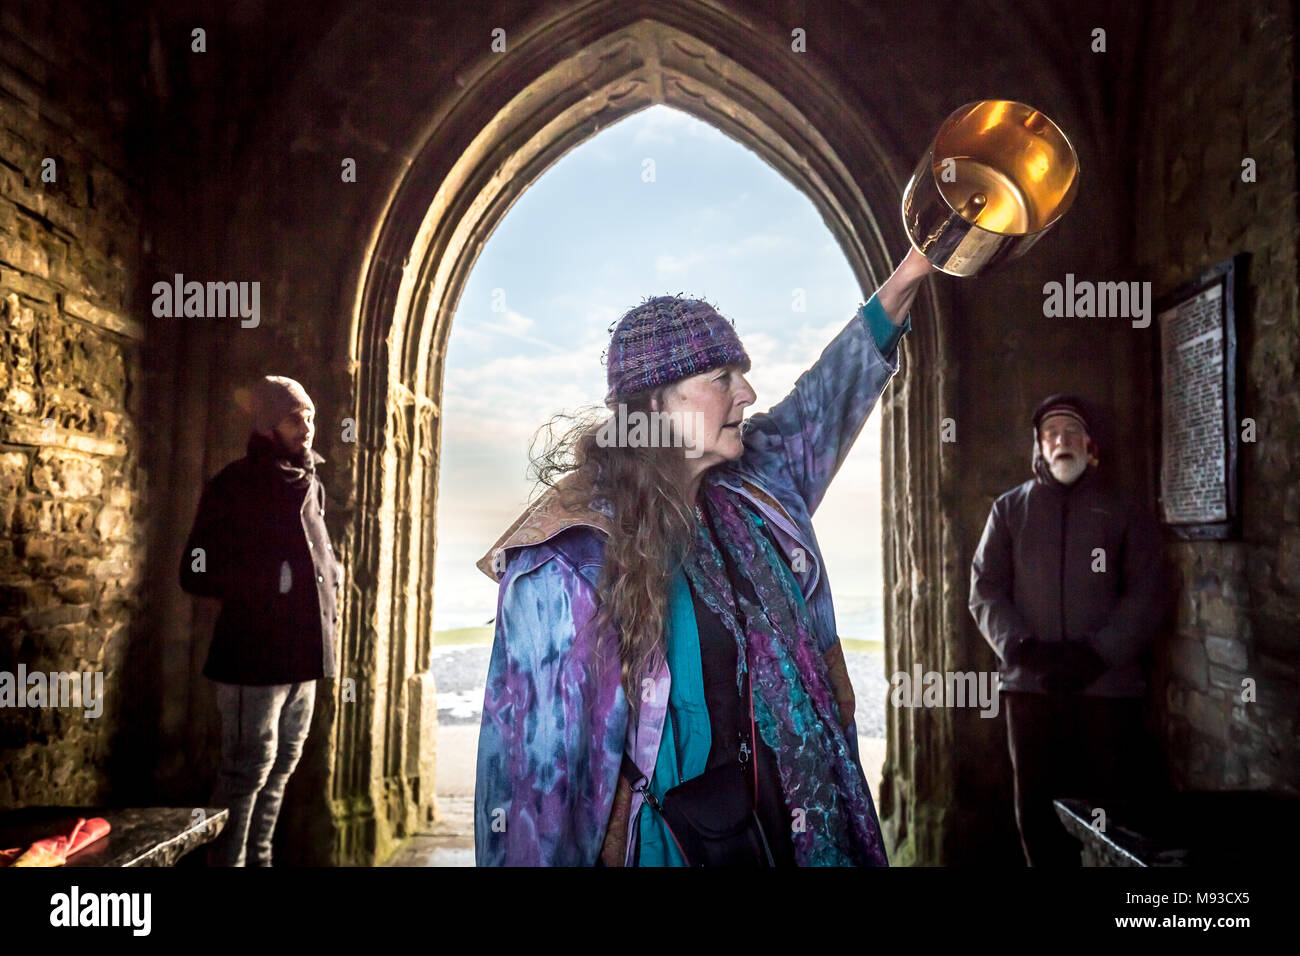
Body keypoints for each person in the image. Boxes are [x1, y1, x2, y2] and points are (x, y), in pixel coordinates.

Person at [473, 246, 936, 866]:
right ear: (657, 405)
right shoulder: (569, 559)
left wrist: (912, 271)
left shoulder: (760, 483)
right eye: (721, 378)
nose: (747, 392)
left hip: (786, 831)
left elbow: (828, 396)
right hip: (673, 845)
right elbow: (533, 789)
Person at [969, 394, 1168, 866]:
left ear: (1089, 444)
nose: (1063, 441)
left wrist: (1097, 655)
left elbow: (1148, 591)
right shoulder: (1008, 510)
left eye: (1072, 432)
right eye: (1052, 434)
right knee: (1037, 812)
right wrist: (1023, 650)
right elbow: (985, 588)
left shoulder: (1124, 511)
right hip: (1031, 690)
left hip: (1107, 691)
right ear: (1039, 447)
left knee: (1111, 815)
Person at [179, 375, 341, 866]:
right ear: (269, 422)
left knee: (280, 773)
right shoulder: (234, 485)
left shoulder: (313, 484)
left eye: (310, 415)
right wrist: (269, 581)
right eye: (295, 416)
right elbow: (195, 569)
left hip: (304, 658)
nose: (306, 426)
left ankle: (261, 861)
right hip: (252, 657)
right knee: (245, 771)